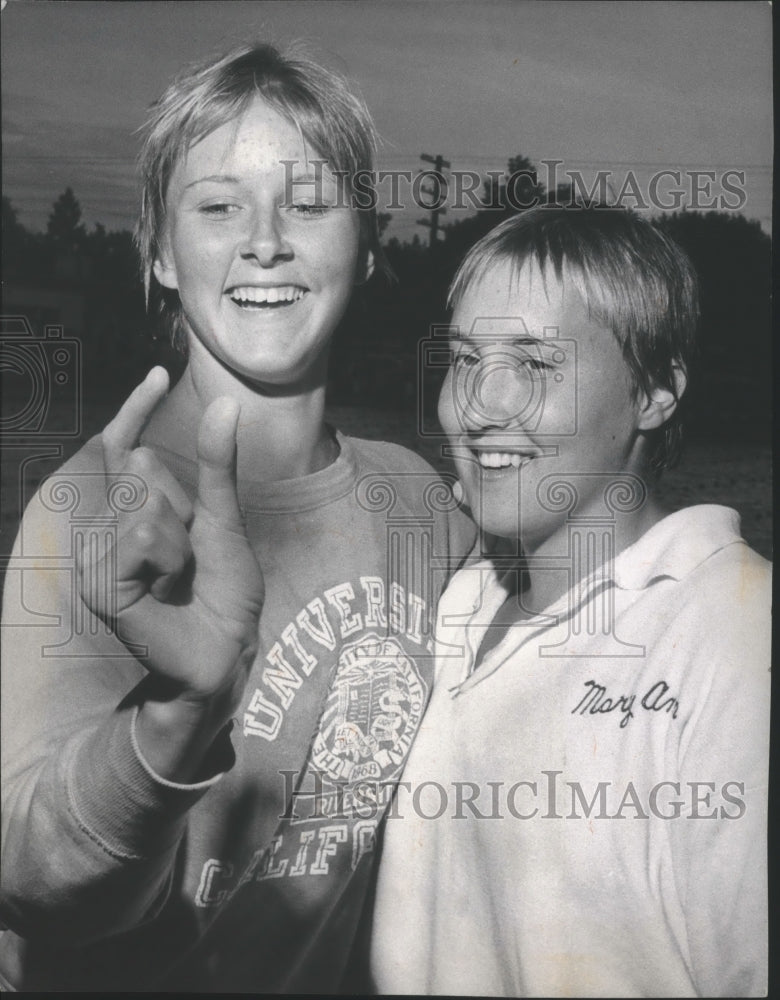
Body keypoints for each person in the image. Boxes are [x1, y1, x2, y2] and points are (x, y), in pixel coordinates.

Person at [0, 42, 473, 992]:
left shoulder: (425, 505)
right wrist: (177, 716)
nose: (266, 239)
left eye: (308, 202)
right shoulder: (101, 511)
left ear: (369, 245)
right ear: (161, 255)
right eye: (219, 206)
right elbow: (34, 883)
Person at [369, 206, 770, 997]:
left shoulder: (734, 634)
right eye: (465, 358)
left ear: (654, 391)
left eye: (538, 362)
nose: (480, 404)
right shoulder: (452, 605)